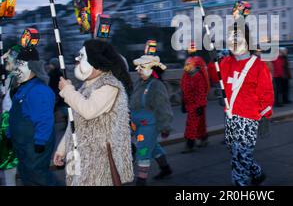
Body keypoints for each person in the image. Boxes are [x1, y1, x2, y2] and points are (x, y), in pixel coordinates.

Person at [54, 39, 134, 186]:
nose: (77, 61)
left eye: (81, 57)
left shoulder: (109, 86)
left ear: (96, 61)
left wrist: (68, 90)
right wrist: (62, 149)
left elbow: (88, 110)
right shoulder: (86, 86)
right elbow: (75, 122)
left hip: (96, 160)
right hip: (78, 155)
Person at [221, 22, 274, 186]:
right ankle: (257, 172)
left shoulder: (258, 66)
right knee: (234, 151)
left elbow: (267, 93)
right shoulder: (225, 63)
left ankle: (239, 185)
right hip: (230, 116)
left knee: (240, 159)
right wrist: (209, 58)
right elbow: (214, 76)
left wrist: (265, 116)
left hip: (249, 118)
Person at [6, 46, 56, 185]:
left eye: (20, 64)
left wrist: (40, 141)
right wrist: (10, 135)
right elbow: (13, 115)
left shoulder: (38, 90)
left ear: (32, 67)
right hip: (22, 145)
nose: (16, 69)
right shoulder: (21, 89)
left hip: (34, 145)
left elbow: (45, 119)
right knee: (26, 175)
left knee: (38, 177)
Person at [130, 53, 173, 185]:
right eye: (138, 68)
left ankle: (141, 180)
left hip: (149, 125)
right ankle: (165, 168)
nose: (138, 70)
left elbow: (163, 108)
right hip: (137, 125)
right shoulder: (139, 83)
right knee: (153, 147)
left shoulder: (156, 85)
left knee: (143, 149)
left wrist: (165, 127)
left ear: (152, 69)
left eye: (141, 67)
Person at [0, 46, 21, 186]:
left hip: (13, 123)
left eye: (9, 57)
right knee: (9, 163)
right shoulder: (10, 78)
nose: (6, 59)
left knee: (11, 161)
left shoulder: (19, 78)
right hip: (7, 122)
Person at [180, 56, 209, 153]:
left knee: (191, 125)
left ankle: (190, 144)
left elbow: (201, 92)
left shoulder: (198, 77)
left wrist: (200, 105)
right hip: (190, 104)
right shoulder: (186, 76)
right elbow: (184, 90)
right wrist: (183, 103)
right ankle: (204, 138)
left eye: (188, 64)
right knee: (200, 123)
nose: (186, 66)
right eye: (186, 64)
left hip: (197, 105)